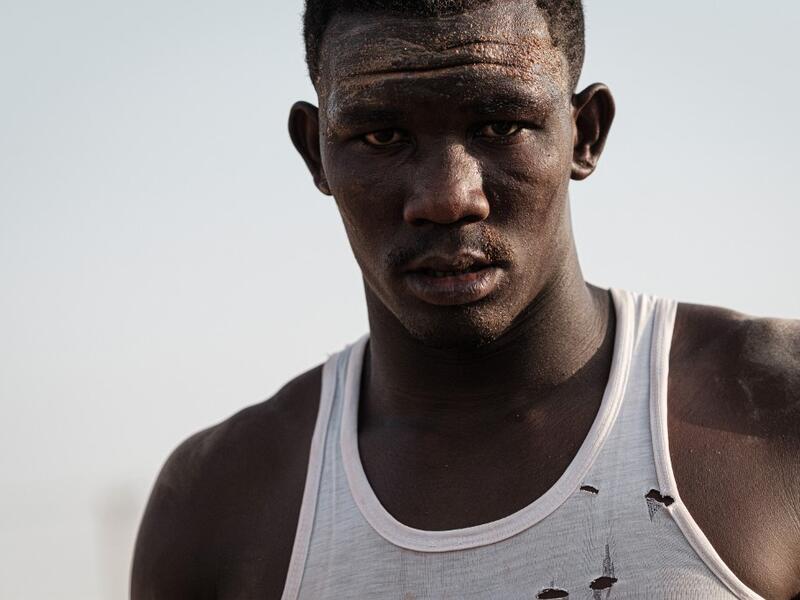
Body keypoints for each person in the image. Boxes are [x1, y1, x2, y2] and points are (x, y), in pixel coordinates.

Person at [131, 1, 800, 598]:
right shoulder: (216, 509)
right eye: (382, 137)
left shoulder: (778, 410)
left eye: (500, 125)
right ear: (316, 152)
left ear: (585, 134)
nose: (449, 197)